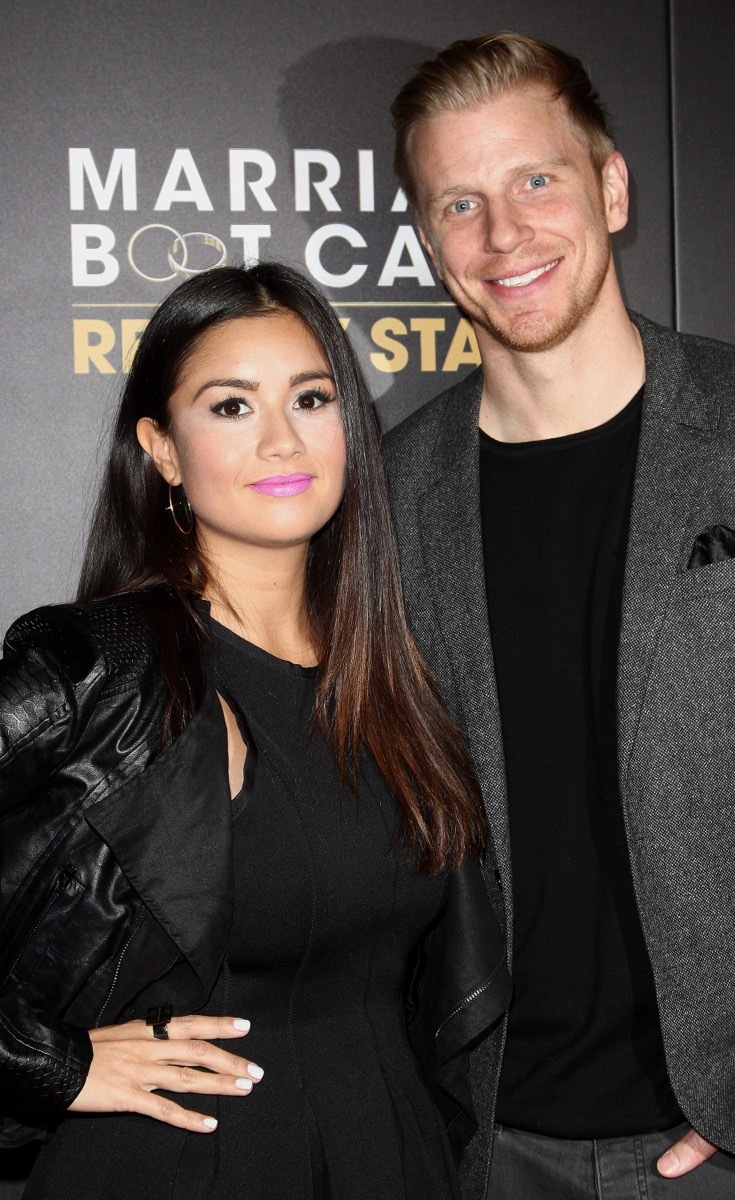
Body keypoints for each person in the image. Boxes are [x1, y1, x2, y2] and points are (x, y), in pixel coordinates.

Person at [383, 31, 735, 1200]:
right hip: (487, 1148)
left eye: (533, 181)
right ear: (427, 239)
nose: (502, 236)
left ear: (609, 188)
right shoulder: (391, 494)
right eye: (458, 203)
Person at [0, 261, 509, 1199]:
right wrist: (47, 1062)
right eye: (231, 407)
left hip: (394, 1159)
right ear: (161, 448)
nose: (282, 438)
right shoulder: (94, 669)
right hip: (177, 1169)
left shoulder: (398, 673)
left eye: (311, 398)